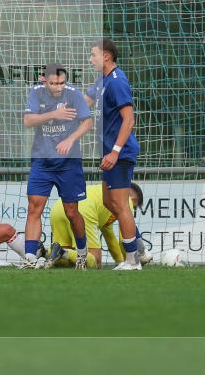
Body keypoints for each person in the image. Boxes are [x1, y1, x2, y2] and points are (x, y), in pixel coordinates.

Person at [22, 63, 94, 269]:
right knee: (34, 208)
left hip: (68, 164)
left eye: (62, 82)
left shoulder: (73, 94)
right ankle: (30, 257)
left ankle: (81, 253)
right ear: (43, 79)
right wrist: (54, 114)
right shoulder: (36, 93)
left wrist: (70, 139)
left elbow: (87, 123)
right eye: (54, 83)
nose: (58, 87)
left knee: (71, 212)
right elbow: (28, 121)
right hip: (42, 162)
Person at [90, 38, 142, 270]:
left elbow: (129, 120)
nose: (90, 59)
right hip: (110, 152)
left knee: (121, 205)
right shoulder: (102, 81)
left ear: (106, 56)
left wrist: (115, 152)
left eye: (93, 55)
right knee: (108, 201)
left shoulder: (117, 81)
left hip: (119, 153)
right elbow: (83, 102)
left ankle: (133, 260)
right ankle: (139, 245)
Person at [46, 182, 145, 269]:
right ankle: (62, 252)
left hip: (60, 207)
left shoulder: (106, 193)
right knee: (95, 260)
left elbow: (110, 238)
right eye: (134, 206)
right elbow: (124, 238)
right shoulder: (126, 200)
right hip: (83, 211)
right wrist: (131, 260)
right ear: (133, 199)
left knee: (63, 262)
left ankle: (44, 251)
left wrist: (120, 261)